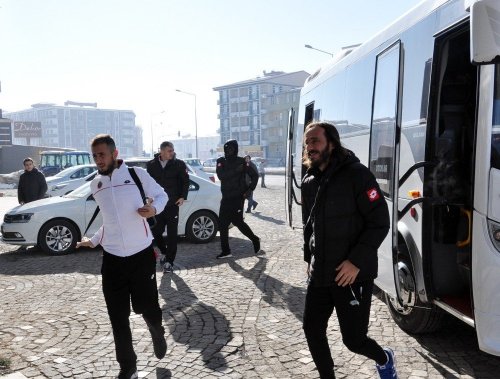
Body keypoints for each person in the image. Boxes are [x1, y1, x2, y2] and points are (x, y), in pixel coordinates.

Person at [300, 122, 397, 379]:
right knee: (312, 330)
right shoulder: (309, 181)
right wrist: (309, 257)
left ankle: (384, 358)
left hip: (351, 275)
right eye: (307, 142)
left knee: (354, 340)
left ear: (331, 142)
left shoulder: (357, 175)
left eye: (316, 141)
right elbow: (309, 225)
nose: (310, 147)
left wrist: (355, 261)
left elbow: (379, 223)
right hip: (320, 272)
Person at [76, 134, 168, 379]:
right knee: (118, 316)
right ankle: (128, 367)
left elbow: (162, 195)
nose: (98, 160)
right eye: (94, 156)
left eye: (102, 155)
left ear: (114, 154)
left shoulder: (137, 175)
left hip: (141, 255)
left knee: (146, 307)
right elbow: (109, 222)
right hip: (113, 259)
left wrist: (153, 209)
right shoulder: (96, 185)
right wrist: (93, 240)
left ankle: (156, 329)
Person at [147, 141, 189, 273]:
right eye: (169, 151)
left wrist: (183, 196)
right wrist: (149, 197)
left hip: (172, 204)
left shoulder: (179, 164)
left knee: (172, 234)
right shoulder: (151, 165)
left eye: (172, 150)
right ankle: (164, 252)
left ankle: (169, 262)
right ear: (162, 151)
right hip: (158, 205)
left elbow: (185, 181)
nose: (172, 153)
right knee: (156, 231)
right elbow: (148, 183)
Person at [216, 139, 262, 258]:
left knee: (238, 222)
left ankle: (255, 239)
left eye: (231, 148)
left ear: (235, 149)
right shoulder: (221, 161)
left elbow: (255, 175)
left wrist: (249, 190)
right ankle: (226, 251)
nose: (228, 151)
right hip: (226, 198)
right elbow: (221, 176)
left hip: (237, 198)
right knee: (222, 225)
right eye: (226, 148)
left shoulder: (242, 162)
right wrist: (236, 170)